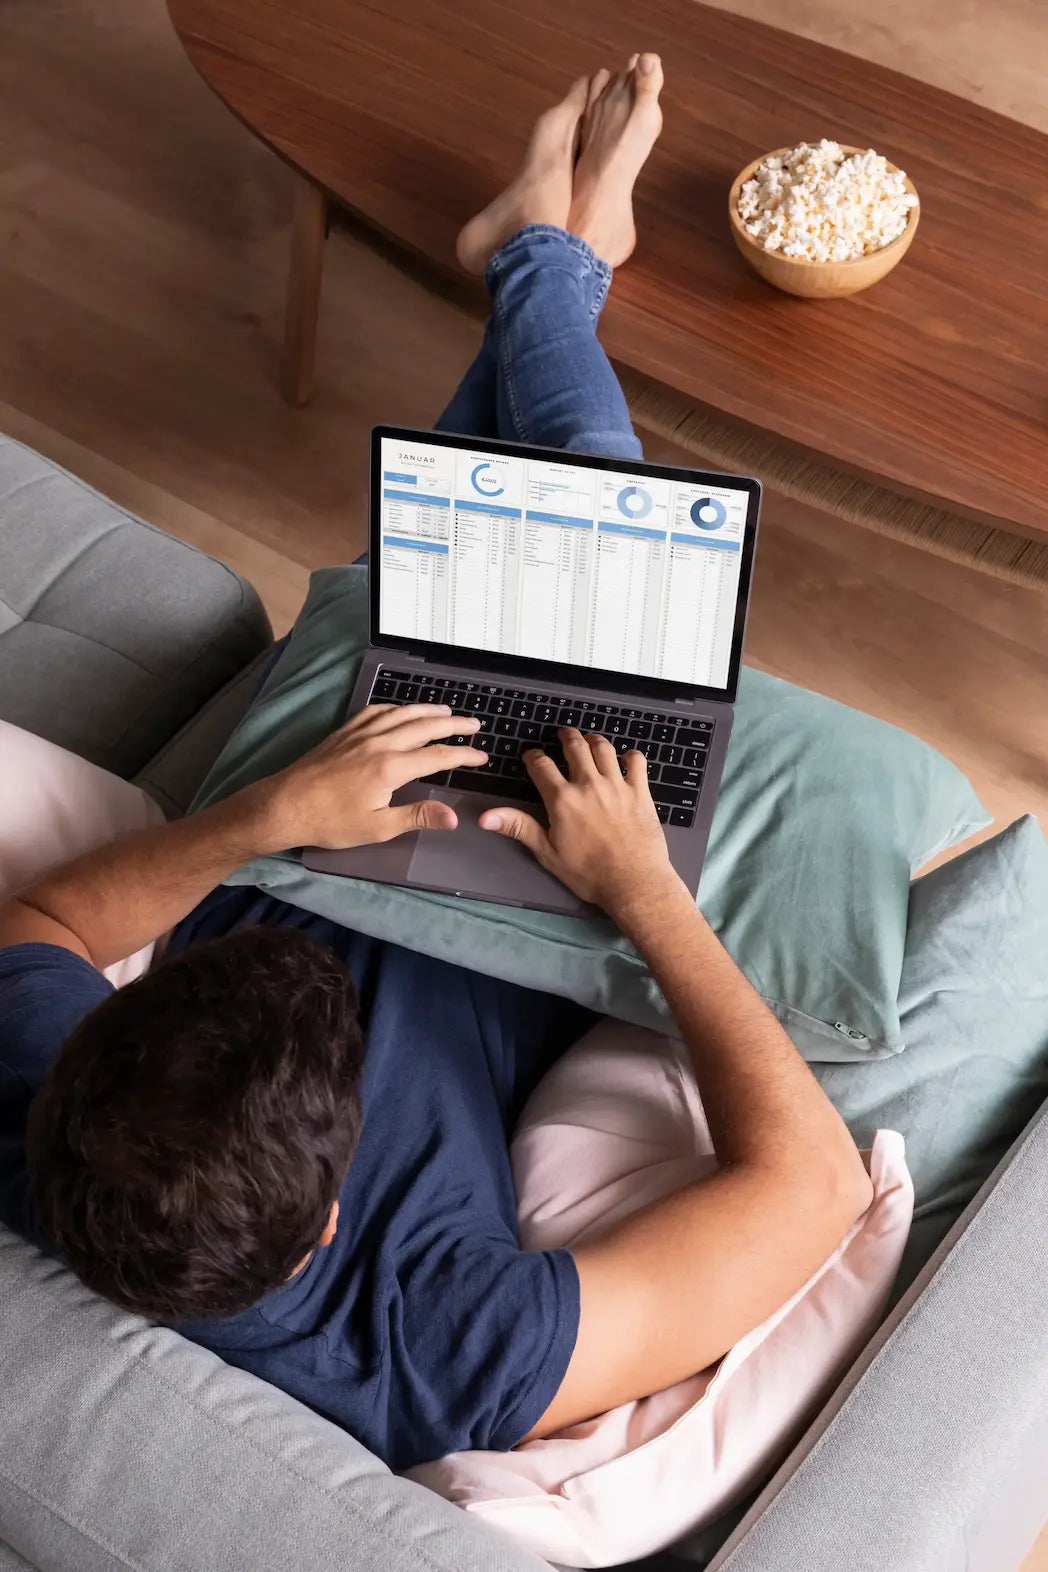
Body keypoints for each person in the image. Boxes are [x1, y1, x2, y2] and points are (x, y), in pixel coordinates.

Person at [0, 56, 872, 1473]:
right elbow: (815, 1187)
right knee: (597, 513)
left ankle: (548, 257)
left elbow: (37, 922)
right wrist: (644, 893)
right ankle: (545, 261)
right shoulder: (435, 1348)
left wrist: (265, 817)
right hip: (539, 870)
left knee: (470, 564)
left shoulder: (68, 1137)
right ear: (326, 1223)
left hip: (328, 803)